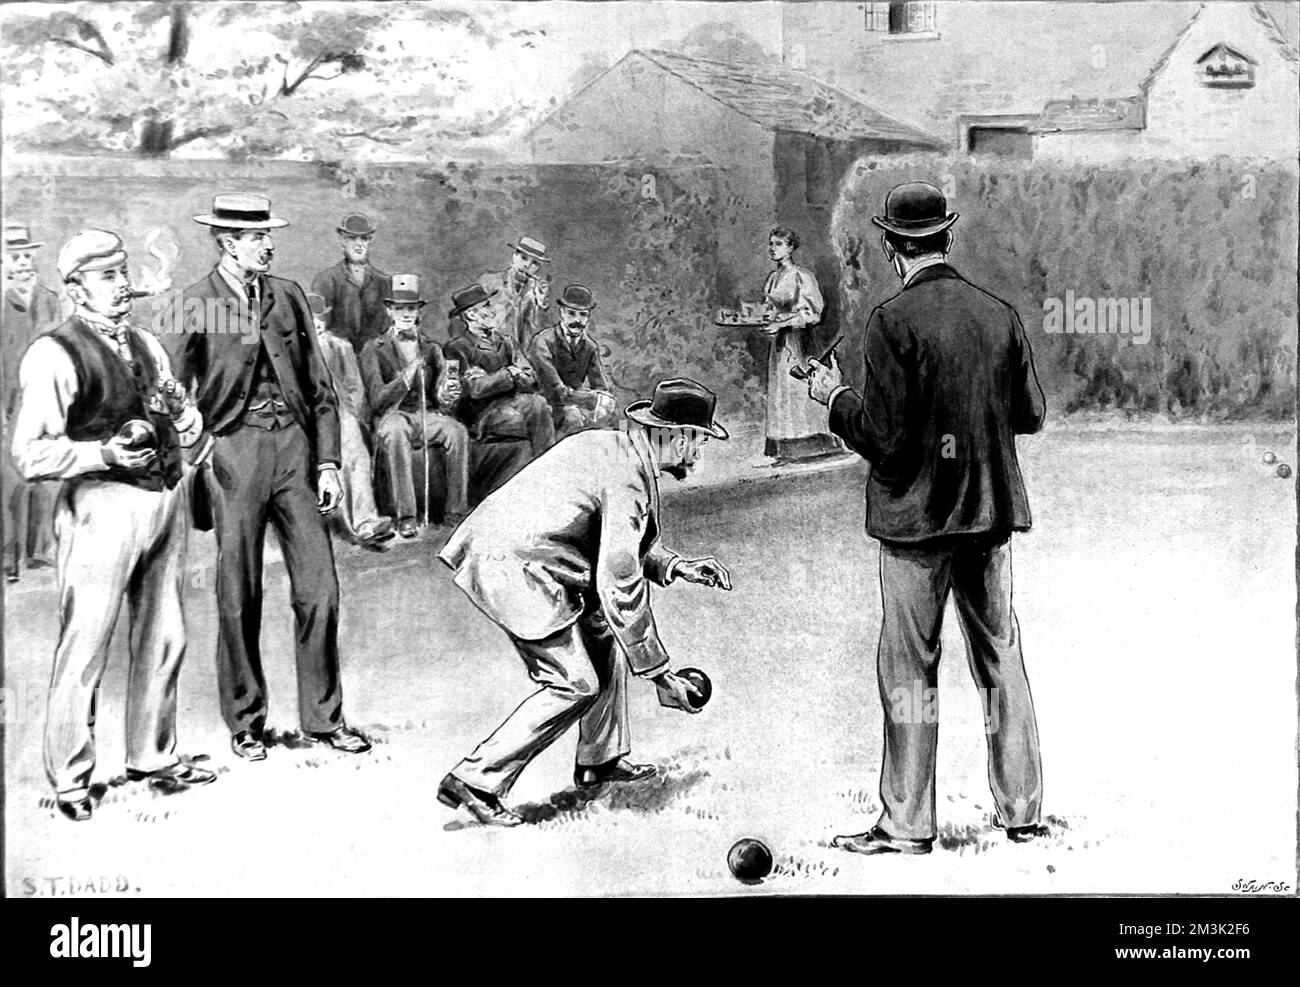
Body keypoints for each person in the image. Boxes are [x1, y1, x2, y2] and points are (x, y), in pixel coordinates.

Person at [806, 182, 1047, 856]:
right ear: (946, 237)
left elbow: (884, 438)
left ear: (892, 246)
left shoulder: (893, 320)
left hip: (916, 526)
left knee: (910, 672)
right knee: (1002, 658)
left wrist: (834, 399)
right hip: (989, 517)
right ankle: (1022, 808)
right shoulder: (998, 313)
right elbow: (1030, 413)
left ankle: (907, 823)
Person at [436, 378, 734, 826]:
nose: (697, 455)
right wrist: (659, 673)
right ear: (673, 435)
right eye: (698, 442)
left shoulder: (616, 450)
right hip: (515, 570)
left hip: (526, 559)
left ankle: (601, 758)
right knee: (573, 682)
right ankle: (475, 779)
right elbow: (619, 578)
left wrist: (676, 566)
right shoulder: (628, 476)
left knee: (601, 632)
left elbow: (613, 541)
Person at [11, 230, 217, 821]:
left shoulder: (148, 345)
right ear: (75, 290)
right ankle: (72, 778)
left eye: (124, 273)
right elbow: (30, 455)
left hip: (160, 502)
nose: (123, 286)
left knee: (165, 635)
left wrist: (182, 413)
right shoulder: (54, 353)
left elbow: (187, 424)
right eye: (107, 277)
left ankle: (153, 757)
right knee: (87, 643)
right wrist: (103, 455)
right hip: (99, 507)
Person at [167, 193, 370, 761]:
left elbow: (319, 388)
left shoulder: (288, 296)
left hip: (296, 453)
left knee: (319, 590)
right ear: (228, 242)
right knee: (238, 592)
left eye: (267, 236)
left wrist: (327, 461)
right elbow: (172, 391)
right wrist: (197, 447)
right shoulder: (196, 303)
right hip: (234, 452)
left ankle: (324, 719)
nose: (268, 244)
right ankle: (246, 721)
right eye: (256, 237)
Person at [360, 275, 470, 537]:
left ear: (418, 311)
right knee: (395, 433)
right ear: (390, 311)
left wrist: (449, 392)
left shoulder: (432, 348)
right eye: (400, 309)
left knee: (457, 431)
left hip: (425, 416)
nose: (406, 314)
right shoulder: (373, 348)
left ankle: (456, 511)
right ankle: (406, 515)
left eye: (411, 308)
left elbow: (443, 395)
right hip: (393, 416)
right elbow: (377, 400)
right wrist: (407, 377)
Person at [307, 292, 394, 549]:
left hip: (340, 412)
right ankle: (339, 522)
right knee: (329, 461)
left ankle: (366, 522)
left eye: (320, 319)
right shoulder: (290, 350)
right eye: (311, 319)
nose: (317, 324)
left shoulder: (340, 346)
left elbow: (354, 386)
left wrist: (355, 416)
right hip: (306, 416)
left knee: (356, 455)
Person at [2, 223, 62, 582]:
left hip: (44, 401)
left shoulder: (49, 300)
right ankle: (9, 558)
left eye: (27, 257)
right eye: (15, 257)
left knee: (45, 477)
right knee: (9, 485)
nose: (23, 264)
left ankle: (40, 551)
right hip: (9, 405)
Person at [443, 283, 555, 461]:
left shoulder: (508, 342)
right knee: (526, 413)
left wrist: (496, 378)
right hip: (482, 417)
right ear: (471, 314)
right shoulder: (457, 348)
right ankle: (544, 464)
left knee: (538, 402)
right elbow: (475, 390)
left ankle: (547, 465)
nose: (493, 310)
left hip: (513, 403)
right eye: (486, 306)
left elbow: (532, 379)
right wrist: (511, 372)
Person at [759, 227, 841, 463]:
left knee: (798, 391)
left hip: (799, 343)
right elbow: (771, 309)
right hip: (779, 345)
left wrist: (783, 324)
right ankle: (784, 448)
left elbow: (812, 314)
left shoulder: (801, 276)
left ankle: (812, 445)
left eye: (778, 244)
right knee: (781, 394)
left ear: (791, 247)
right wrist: (768, 320)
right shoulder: (773, 278)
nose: (772, 248)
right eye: (771, 244)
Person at [528, 284, 617, 440]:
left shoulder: (590, 346)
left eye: (583, 315)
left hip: (575, 403)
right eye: (571, 314)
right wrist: (593, 399)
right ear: (562, 312)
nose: (577, 320)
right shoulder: (543, 341)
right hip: (544, 405)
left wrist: (603, 403)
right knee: (573, 417)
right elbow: (557, 391)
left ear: (588, 316)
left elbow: (602, 387)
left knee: (613, 418)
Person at [310, 213, 391, 354]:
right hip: (338, 356)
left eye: (364, 239)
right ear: (343, 241)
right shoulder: (325, 280)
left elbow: (387, 325)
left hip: (375, 357)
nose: (359, 244)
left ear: (370, 241)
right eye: (352, 238)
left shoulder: (383, 282)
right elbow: (320, 325)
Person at [478, 235, 550, 351]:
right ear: (514, 256)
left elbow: (539, 333)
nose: (527, 265)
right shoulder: (490, 281)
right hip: (488, 349)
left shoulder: (535, 292)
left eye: (535, 263)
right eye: (523, 258)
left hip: (518, 355)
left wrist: (541, 303)